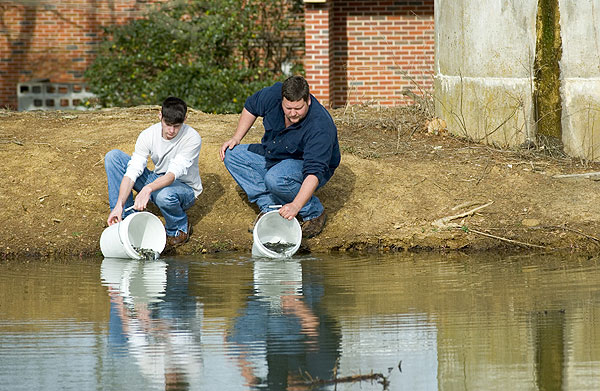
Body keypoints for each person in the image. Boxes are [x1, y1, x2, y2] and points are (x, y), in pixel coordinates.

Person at [219, 75, 340, 238]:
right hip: (275, 153)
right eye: (288, 108)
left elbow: (314, 172)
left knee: (275, 178)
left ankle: (313, 213)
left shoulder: (320, 126)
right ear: (282, 99)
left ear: (308, 101)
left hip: (304, 165)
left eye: (298, 108)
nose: (293, 113)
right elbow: (251, 106)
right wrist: (236, 137)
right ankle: (270, 209)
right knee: (232, 155)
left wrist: (296, 205)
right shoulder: (273, 94)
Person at [104, 96, 202, 247]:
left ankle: (178, 229)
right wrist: (119, 205)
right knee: (114, 157)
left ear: (185, 119)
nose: (171, 131)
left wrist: (147, 189)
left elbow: (172, 175)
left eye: (176, 126)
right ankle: (125, 220)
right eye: (167, 124)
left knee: (164, 195)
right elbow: (132, 172)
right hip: (158, 179)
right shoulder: (148, 134)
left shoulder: (192, 138)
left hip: (184, 189)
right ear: (160, 116)